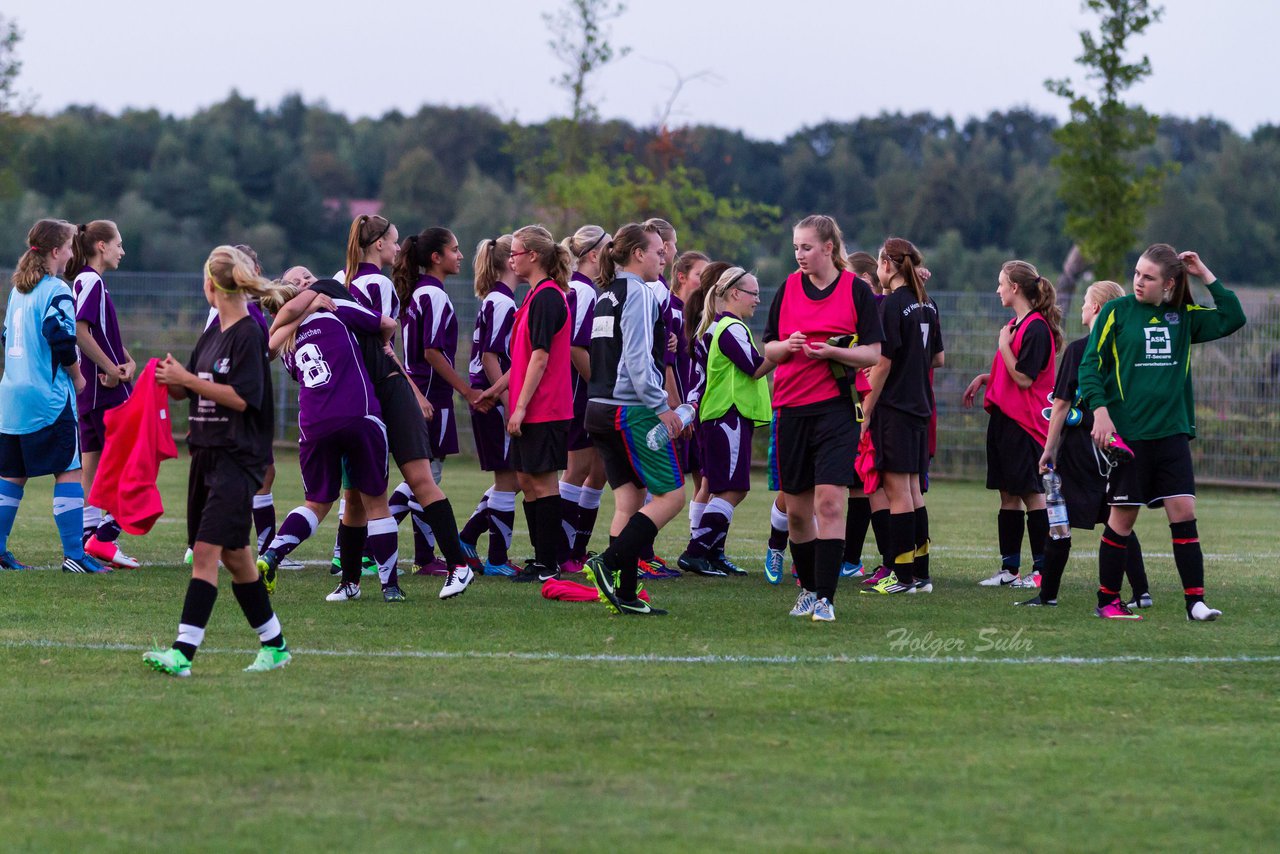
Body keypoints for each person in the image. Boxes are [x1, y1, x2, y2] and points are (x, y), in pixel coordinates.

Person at [267, 217, 477, 603]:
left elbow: (381, 338)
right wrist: (412, 389)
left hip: (377, 393)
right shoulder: (363, 283)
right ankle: (353, 580)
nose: (398, 250)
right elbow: (384, 337)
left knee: (404, 484)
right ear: (378, 244)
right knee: (364, 495)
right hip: (377, 391)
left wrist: (411, 389)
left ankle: (457, 566)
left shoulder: (341, 282)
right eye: (394, 242)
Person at [1077, 245, 1245, 621]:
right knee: (1122, 520)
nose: (1138, 281)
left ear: (1169, 283)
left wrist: (1205, 273)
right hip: (1130, 436)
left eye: (1148, 277)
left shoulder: (1182, 316)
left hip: (1171, 433)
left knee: (1184, 513)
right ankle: (1107, 602)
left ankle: (1195, 603)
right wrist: (1100, 413)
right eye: (1137, 273)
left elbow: (1233, 317)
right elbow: (1090, 367)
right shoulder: (1115, 312)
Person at [145, 246, 289, 676]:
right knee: (237, 557)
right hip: (205, 455)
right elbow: (191, 388)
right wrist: (169, 379)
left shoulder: (248, 333)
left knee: (205, 552)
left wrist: (188, 380)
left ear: (211, 284)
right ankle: (276, 646)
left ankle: (182, 654)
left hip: (237, 457)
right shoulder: (213, 333)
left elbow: (244, 399)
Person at [762, 215, 883, 622]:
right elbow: (769, 350)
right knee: (797, 512)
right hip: (791, 410)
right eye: (796, 247)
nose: (800, 254)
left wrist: (833, 353)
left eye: (807, 247)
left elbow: (872, 354)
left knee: (829, 503)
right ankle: (809, 590)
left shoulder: (855, 290)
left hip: (835, 411)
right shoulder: (788, 288)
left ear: (829, 248)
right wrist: (787, 345)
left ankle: (827, 598)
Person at [259, 281, 405, 602]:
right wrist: (378, 350)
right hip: (358, 413)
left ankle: (272, 555)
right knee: (376, 504)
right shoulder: (334, 310)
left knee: (316, 502)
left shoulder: (285, 346)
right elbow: (388, 323)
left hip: (315, 425)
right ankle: (390, 587)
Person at [1024, 280, 1149, 608]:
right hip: (1119, 447)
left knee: (1059, 519)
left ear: (1096, 308)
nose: (1081, 307)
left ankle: (1048, 594)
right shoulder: (1128, 348)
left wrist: (1049, 448)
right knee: (1118, 518)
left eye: (1085, 301)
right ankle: (1141, 592)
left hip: (1082, 449)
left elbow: (1062, 404)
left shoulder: (1081, 349)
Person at [582, 222, 683, 615]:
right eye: (657, 251)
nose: (663, 257)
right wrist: (663, 408)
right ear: (637, 254)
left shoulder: (606, 293)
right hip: (631, 409)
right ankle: (607, 562)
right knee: (672, 497)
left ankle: (625, 593)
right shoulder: (640, 293)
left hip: (599, 407)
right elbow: (638, 362)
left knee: (629, 500)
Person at [0, 219, 107, 574]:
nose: (73, 252)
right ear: (57, 252)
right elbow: (60, 336)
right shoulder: (57, 289)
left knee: (13, 473)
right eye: (70, 246)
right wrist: (77, 378)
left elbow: (5, 337)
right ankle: (75, 556)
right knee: (69, 470)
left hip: (11, 396)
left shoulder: (19, 289)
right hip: (46, 398)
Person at [479, 225, 574, 583]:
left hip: (545, 407)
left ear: (533, 256)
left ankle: (549, 563)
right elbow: (521, 361)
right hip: (530, 404)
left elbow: (540, 358)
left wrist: (518, 407)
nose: (510, 259)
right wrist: (497, 390)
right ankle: (541, 558)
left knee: (543, 483)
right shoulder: (533, 297)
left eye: (515, 252)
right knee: (526, 480)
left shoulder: (549, 297)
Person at [963, 261, 1062, 589]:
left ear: (1015, 287)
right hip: (1005, 421)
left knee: (1032, 494)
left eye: (1001, 283)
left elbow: (1025, 378)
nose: (998, 289)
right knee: (1007, 495)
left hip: (1025, 424)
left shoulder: (1035, 327)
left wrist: (1003, 345)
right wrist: (986, 378)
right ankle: (1009, 569)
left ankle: (1041, 570)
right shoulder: (1016, 325)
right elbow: (1013, 374)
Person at [859, 238, 944, 595]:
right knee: (911, 489)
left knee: (896, 491)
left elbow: (882, 364)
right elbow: (938, 358)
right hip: (921, 405)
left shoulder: (893, 304)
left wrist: (866, 410)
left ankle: (902, 576)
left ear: (888, 264)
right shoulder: (928, 303)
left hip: (895, 407)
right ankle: (920, 574)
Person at [677, 267, 775, 575]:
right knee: (731, 489)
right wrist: (785, 350)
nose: (757, 300)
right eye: (753, 293)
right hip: (726, 416)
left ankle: (713, 553)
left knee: (726, 487)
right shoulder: (730, 328)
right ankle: (696, 552)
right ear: (735, 294)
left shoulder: (717, 327)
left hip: (721, 417)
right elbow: (754, 367)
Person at [394, 227, 479, 573]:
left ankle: (422, 556)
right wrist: (466, 389)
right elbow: (431, 352)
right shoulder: (433, 295)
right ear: (436, 257)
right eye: (455, 250)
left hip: (423, 387)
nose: (460, 256)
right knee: (428, 478)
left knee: (427, 476)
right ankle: (379, 542)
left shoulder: (421, 293)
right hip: (430, 391)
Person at [68, 220, 139, 569]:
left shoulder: (87, 281)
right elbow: (80, 331)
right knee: (133, 465)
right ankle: (105, 539)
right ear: (100, 245)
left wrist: (125, 359)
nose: (122, 251)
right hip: (104, 393)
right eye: (119, 244)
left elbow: (100, 331)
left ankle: (86, 542)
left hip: (91, 394)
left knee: (92, 469)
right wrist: (111, 370)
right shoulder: (91, 281)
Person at [458, 235, 522, 577]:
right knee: (508, 478)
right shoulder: (502, 303)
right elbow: (490, 355)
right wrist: (508, 400)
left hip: (491, 397)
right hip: (492, 399)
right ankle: (496, 558)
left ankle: (468, 538)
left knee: (513, 479)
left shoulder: (499, 300)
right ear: (510, 261)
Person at [556, 226, 610, 573]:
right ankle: (561, 553)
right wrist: (599, 384)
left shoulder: (577, 288)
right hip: (578, 394)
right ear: (593, 255)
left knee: (595, 470)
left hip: (577, 393)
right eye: (608, 249)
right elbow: (576, 347)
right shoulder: (584, 291)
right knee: (576, 471)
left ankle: (575, 550)